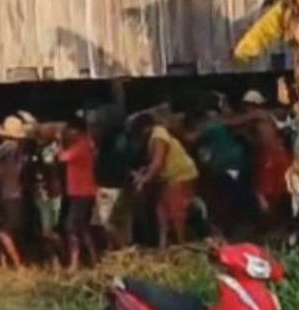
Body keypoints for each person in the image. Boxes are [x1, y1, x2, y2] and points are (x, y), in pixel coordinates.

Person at [182, 99, 248, 239]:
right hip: (233, 166)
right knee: (230, 202)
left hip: (226, 168)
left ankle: (229, 232)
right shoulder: (215, 127)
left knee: (225, 203)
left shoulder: (209, 126)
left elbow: (190, 138)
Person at [132, 113, 199, 248]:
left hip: (179, 174)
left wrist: (144, 180)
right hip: (168, 177)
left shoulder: (158, 135)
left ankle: (182, 243)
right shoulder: (154, 137)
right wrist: (143, 173)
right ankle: (163, 244)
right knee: (161, 209)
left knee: (176, 211)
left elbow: (158, 162)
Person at [235, 90, 292, 228]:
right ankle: (278, 223)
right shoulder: (264, 118)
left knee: (264, 193)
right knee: (277, 192)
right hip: (278, 156)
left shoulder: (258, 116)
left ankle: (270, 224)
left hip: (271, 157)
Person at [88, 105, 134, 249]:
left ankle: (124, 248)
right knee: (121, 222)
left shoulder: (110, 142)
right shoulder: (125, 139)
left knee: (105, 222)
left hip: (109, 185)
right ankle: (118, 247)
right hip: (121, 185)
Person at [58, 116, 98, 270]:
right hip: (81, 191)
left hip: (81, 192)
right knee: (82, 227)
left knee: (71, 226)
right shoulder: (86, 144)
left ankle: (75, 261)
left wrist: (60, 143)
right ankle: (92, 259)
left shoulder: (81, 145)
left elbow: (62, 157)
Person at [0, 116, 27, 272]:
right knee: (8, 229)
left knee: (2, 232)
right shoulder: (20, 149)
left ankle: (17, 264)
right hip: (15, 192)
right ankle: (3, 261)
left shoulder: (6, 147)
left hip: (6, 193)